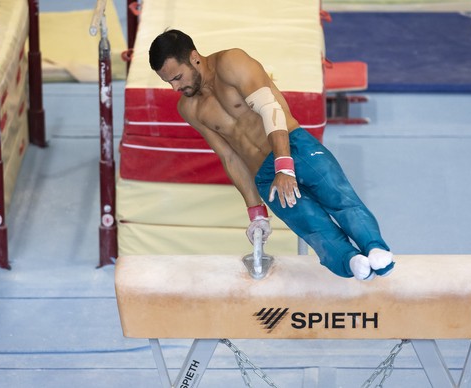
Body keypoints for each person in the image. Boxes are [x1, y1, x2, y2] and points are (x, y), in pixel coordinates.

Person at [148, 29, 394, 281]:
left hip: (294, 145)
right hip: (264, 177)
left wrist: (284, 167)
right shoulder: (189, 107)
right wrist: (256, 212)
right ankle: (350, 261)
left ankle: (374, 247)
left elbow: (270, 109)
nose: (175, 87)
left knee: (339, 197)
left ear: (194, 58)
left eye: (177, 77)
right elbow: (230, 157)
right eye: (169, 82)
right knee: (310, 224)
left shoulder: (232, 63)